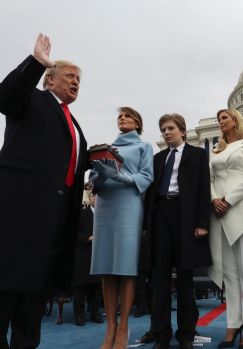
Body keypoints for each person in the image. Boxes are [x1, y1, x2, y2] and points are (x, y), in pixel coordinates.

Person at [0, 34, 89, 348]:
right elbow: (3, 98)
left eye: (79, 80)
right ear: (50, 80)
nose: (76, 83)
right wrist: (35, 62)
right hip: (13, 223)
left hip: (48, 231)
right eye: (70, 76)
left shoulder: (75, 124)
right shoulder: (32, 100)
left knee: (30, 317)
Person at [142, 113, 211, 349]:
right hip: (160, 215)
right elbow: (149, 192)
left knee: (184, 278)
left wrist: (202, 223)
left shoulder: (198, 155)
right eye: (163, 129)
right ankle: (161, 334)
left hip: (186, 217)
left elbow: (203, 189)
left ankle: (186, 334)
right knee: (160, 278)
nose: (166, 132)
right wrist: (146, 225)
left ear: (182, 130)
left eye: (170, 128)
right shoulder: (158, 158)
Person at [90, 106, 154, 349]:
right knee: (106, 266)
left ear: (137, 123)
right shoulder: (106, 147)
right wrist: (98, 174)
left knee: (125, 267)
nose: (122, 119)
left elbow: (146, 177)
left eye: (128, 116)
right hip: (105, 204)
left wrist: (120, 176)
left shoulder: (144, 147)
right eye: (119, 116)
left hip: (129, 204)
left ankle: (123, 327)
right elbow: (94, 181)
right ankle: (110, 328)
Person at [208, 109, 243, 349]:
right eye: (219, 119)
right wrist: (214, 200)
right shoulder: (215, 150)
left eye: (225, 118)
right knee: (228, 272)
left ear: (235, 121)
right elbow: (209, 180)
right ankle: (233, 323)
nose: (221, 122)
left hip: (241, 208)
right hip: (218, 212)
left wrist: (228, 200)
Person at [72, 192, 102, 326]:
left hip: (99, 255)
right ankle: (79, 315)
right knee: (80, 288)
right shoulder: (82, 213)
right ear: (90, 198)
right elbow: (74, 232)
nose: (96, 199)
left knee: (97, 287)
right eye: (94, 196)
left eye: (98, 197)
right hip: (83, 253)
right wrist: (88, 238)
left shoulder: (105, 215)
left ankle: (95, 314)